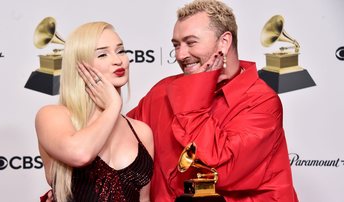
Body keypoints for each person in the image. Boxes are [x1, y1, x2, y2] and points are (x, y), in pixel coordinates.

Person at [127, 0, 298, 201]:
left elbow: (220, 171)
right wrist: (109, 104)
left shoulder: (261, 101)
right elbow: (121, 140)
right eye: (176, 45)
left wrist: (197, 90)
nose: (180, 55)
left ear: (224, 42)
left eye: (191, 43)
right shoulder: (163, 91)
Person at [36, 21, 154, 202]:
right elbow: (80, 154)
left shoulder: (141, 132)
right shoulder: (53, 116)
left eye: (120, 50)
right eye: (103, 54)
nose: (117, 60)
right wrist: (113, 105)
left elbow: (144, 199)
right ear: (79, 65)